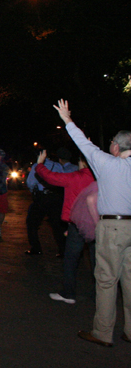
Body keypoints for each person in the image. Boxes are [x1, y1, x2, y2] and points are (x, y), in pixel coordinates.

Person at [53, 99, 131, 347]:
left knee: (107, 280)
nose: (108, 146)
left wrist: (67, 119)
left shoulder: (107, 164)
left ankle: (102, 332)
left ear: (117, 147)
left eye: (110, 143)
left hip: (112, 227)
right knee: (130, 281)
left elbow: (84, 144)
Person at [33, 149, 96, 304]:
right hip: (98, 223)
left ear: (82, 163)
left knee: (71, 259)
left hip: (78, 224)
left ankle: (69, 294)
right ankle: (100, 296)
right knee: (98, 261)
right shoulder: (100, 177)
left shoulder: (76, 177)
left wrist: (40, 164)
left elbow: (51, 177)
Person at [24, 147, 76, 255]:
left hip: (42, 197)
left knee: (32, 223)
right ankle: (62, 250)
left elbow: (30, 183)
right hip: (55, 197)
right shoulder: (57, 165)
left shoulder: (36, 166)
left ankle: (36, 248)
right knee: (57, 225)